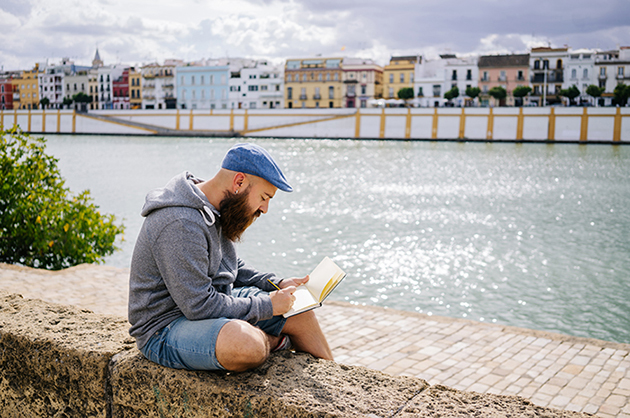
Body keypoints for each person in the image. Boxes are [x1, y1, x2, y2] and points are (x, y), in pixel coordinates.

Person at [128, 143, 333, 372]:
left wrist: (276, 283)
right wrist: (267, 305)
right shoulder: (180, 222)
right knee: (246, 345)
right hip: (165, 327)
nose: (264, 209)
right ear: (239, 182)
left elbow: (231, 265)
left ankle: (337, 390)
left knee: (299, 310)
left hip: (212, 301)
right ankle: (274, 341)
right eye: (264, 197)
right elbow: (199, 306)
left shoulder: (212, 206)